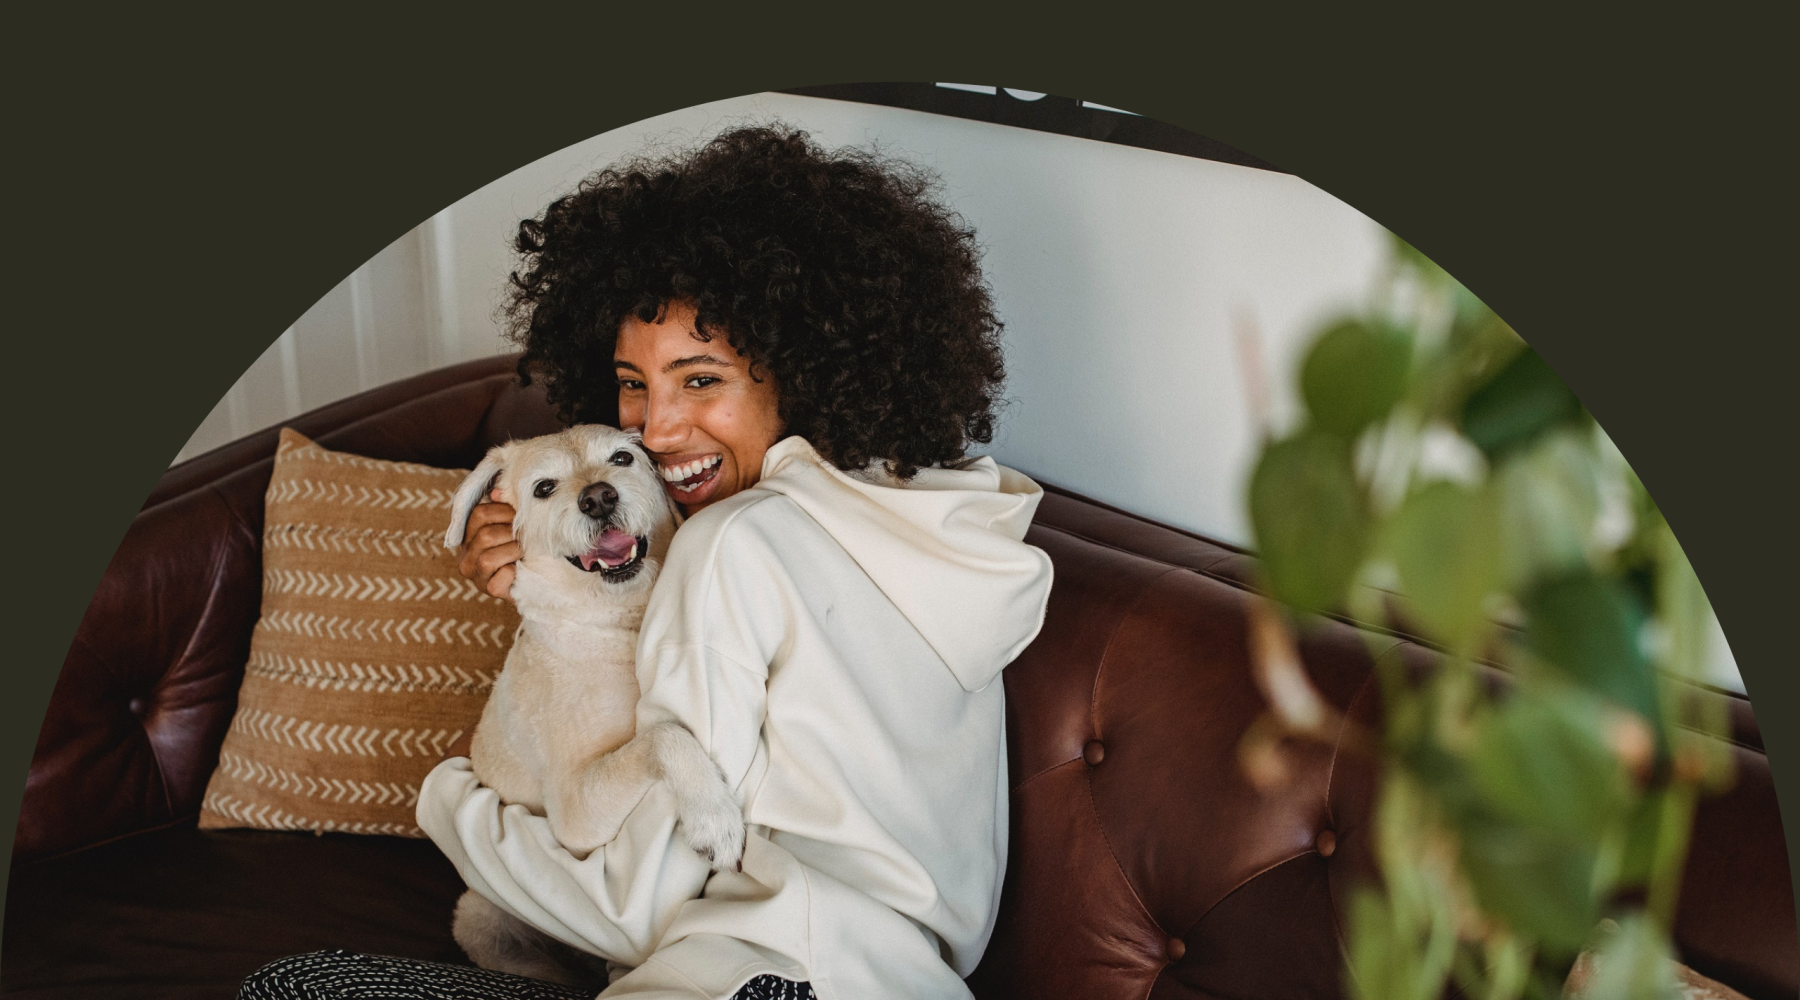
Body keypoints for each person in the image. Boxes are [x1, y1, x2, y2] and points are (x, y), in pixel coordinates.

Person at [239, 124, 1053, 1000]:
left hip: (743, 973)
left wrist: (451, 806)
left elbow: (631, 905)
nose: (654, 432)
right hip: (902, 979)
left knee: (297, 987)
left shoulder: (730, 546)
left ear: (805, 371)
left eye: (701, 380)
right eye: (634, 382)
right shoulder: (940, 530)